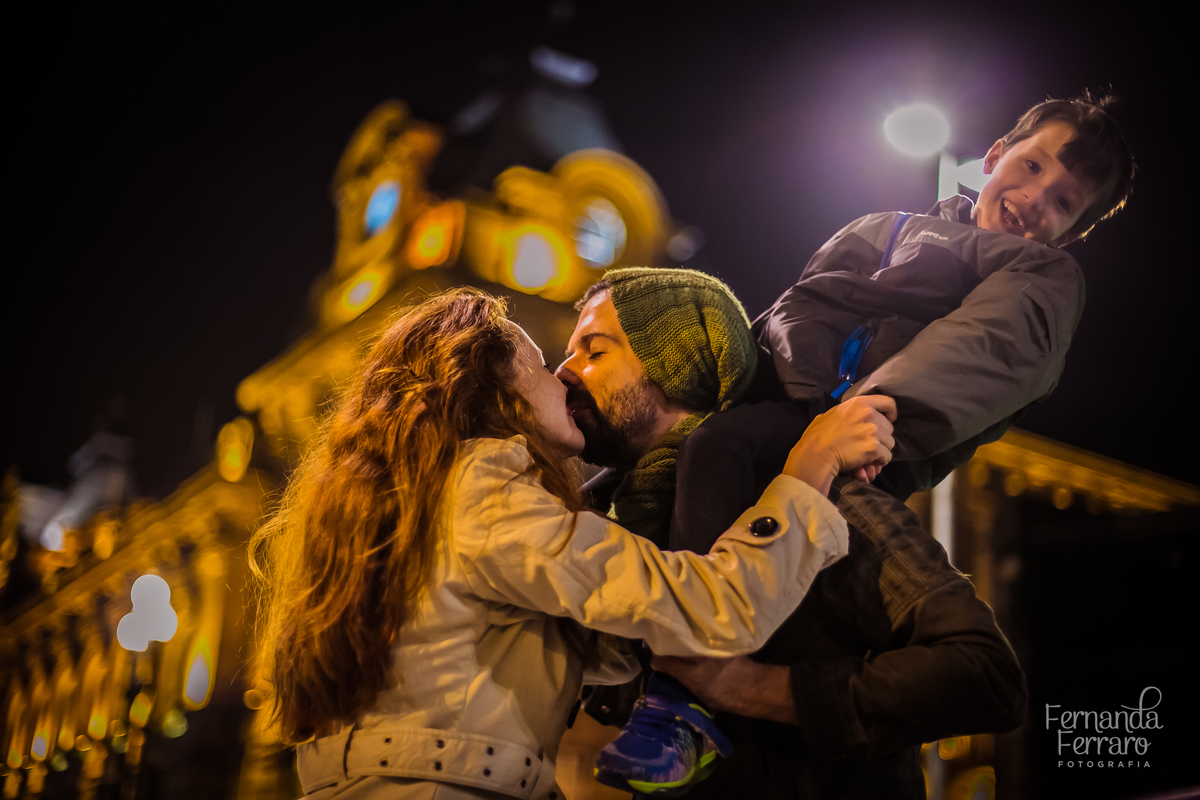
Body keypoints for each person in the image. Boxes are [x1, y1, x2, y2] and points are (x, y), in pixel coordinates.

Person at [562, 94, 1134, 799]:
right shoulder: (882, 226)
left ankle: (685, 693)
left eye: (1063, 201)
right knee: (626, 483)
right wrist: (754, 375)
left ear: (1071, 231)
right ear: (993, 157)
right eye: (1031, 165)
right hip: (791, 405)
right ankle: (613, 657)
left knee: (715, 446)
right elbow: (801, 303)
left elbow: (983, 352)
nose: (1033, 197)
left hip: (854, 440)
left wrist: (866, 412)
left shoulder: (1041, 277)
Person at [249, 288, 897, 800]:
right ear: (495, 391)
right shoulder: (483, 490)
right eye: (541, 364)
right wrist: (808, 468)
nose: (564, 378)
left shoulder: (410, 499)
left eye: (586, 351)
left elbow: (606, 638)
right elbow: (710, 610)